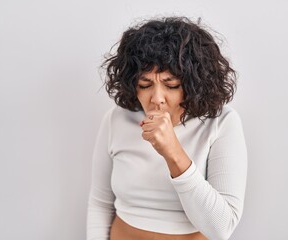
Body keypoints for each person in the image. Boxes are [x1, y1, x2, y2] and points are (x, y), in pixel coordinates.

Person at [86, 16, 248, 240]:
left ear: (194, 85)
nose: (157, 99)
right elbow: (100, 203)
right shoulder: (117, 119)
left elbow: (221, 228)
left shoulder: (222, 123)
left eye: (171, 85)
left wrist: (173, 152)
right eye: (145, 85)